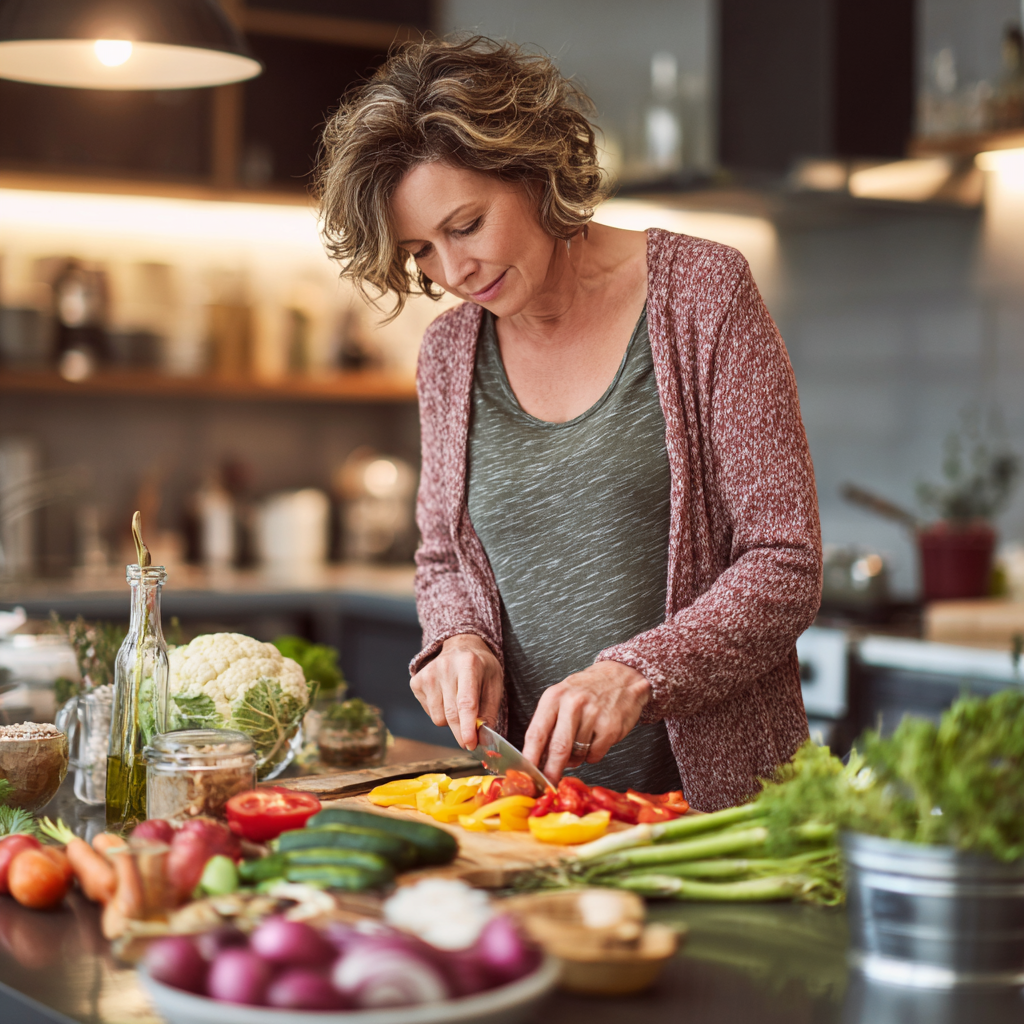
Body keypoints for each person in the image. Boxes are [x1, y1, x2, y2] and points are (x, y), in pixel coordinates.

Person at [317, 36, 822, 810]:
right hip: (536, 813)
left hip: (716, 813)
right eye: (421, 250)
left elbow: (784, 565)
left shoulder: (703, 295)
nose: (452, 273)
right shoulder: (450, 352)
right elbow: (443, 558)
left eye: (467, 225)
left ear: (533, 171)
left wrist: (637, 673)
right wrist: (461, 640)